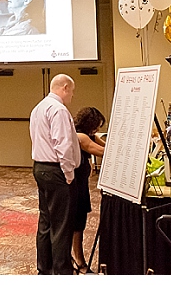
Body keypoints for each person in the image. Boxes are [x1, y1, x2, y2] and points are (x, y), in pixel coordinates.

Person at [29, 74, 81, 275]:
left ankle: (45, 268)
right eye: (72, 92)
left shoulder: (38, 108)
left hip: (40, 167)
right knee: (61, 225)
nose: (72, 96)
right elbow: (63, 144)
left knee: (46, 221)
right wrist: (69, 173)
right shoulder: (58, 109)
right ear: (65, 87)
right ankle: (61, 271)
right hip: (56, 171)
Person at [71, 107, 107, 273]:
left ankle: (77, 259)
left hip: (82, 183)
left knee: (80, 221)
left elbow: (104, 145)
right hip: (75, 183)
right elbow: (100, 151)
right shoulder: (80, 136)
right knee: (76, 222)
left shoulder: (89, 135)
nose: (98, 129)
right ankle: (78, 260)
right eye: (96, 125)